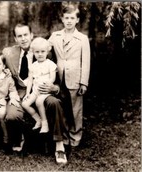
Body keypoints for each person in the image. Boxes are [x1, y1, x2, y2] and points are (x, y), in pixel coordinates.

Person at [3, 23, 68, 164]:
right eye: (19, 36)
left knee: (54, 103)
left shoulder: (45, 51)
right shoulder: (9, 53)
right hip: (22, 92)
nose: (23, 39)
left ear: (31, 35)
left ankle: (59, 146)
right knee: (12, 115)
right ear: (15, 39)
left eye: (26, 35)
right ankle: (19, 139)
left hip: (44, 90)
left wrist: (54, 88)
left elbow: (58, 79)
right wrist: (3, 71)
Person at [48, 4, 91, 147]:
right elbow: (45, 49)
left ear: (77, 20)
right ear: (62, 19)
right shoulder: (55, 36)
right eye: (66, 18)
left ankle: (76, 136)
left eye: (72, 18)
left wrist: (83, 82)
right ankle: (64, 136)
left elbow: (85, 62)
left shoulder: (82, 38)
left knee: (76, 110)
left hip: (75, 78)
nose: (69, 21)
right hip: (59, 79)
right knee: (63, 108)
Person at [22, 37, 58, 134]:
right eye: (37, 52)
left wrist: (47, 85)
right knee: (25, 104)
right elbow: (30, 80)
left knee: (38, 102)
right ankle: (38, 120)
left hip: (45, 90)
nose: (40, 54)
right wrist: (27, 93)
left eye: (43, 51)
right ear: (33, 52)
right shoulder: (33, 65)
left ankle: (45, 123)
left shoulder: (50, 64)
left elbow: (52, 78)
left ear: (47, 51)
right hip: (35, 90)